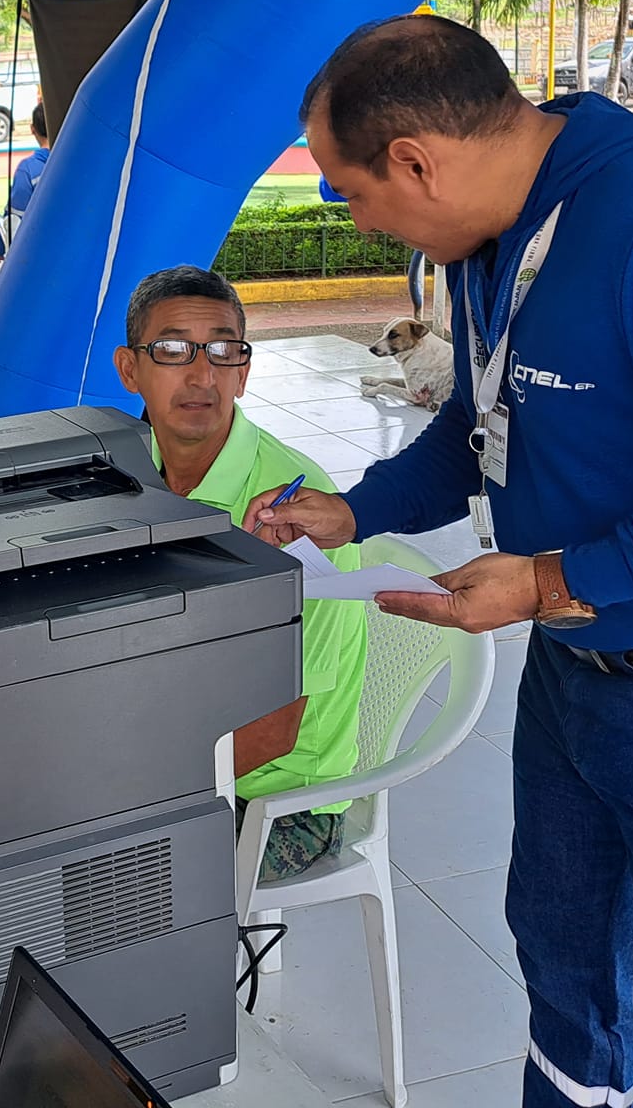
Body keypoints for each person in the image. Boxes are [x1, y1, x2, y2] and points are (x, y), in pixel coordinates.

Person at [246, 15, 633, 1108]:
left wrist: (552, 581)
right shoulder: (488, 239)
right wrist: (354, 511)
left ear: (416, 162)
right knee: (569, 982)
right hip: (579, 676)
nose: (359, 222)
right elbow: (481, 421)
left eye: (350, 194)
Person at [114, 265, 370, 881]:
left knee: (92, 885)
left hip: (277, 801)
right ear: (130, 370)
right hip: (172, 740)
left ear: (245, 372)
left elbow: (272, 732)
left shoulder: (297, 516)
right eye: (172, 350)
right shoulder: (126, 469)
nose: (202, 376)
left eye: (224, 352)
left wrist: (114, 794)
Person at [0, 101, 50, 263]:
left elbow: (15, 218)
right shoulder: (75, 162)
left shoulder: (28, 169)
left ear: (32, 129)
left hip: (39, 257)